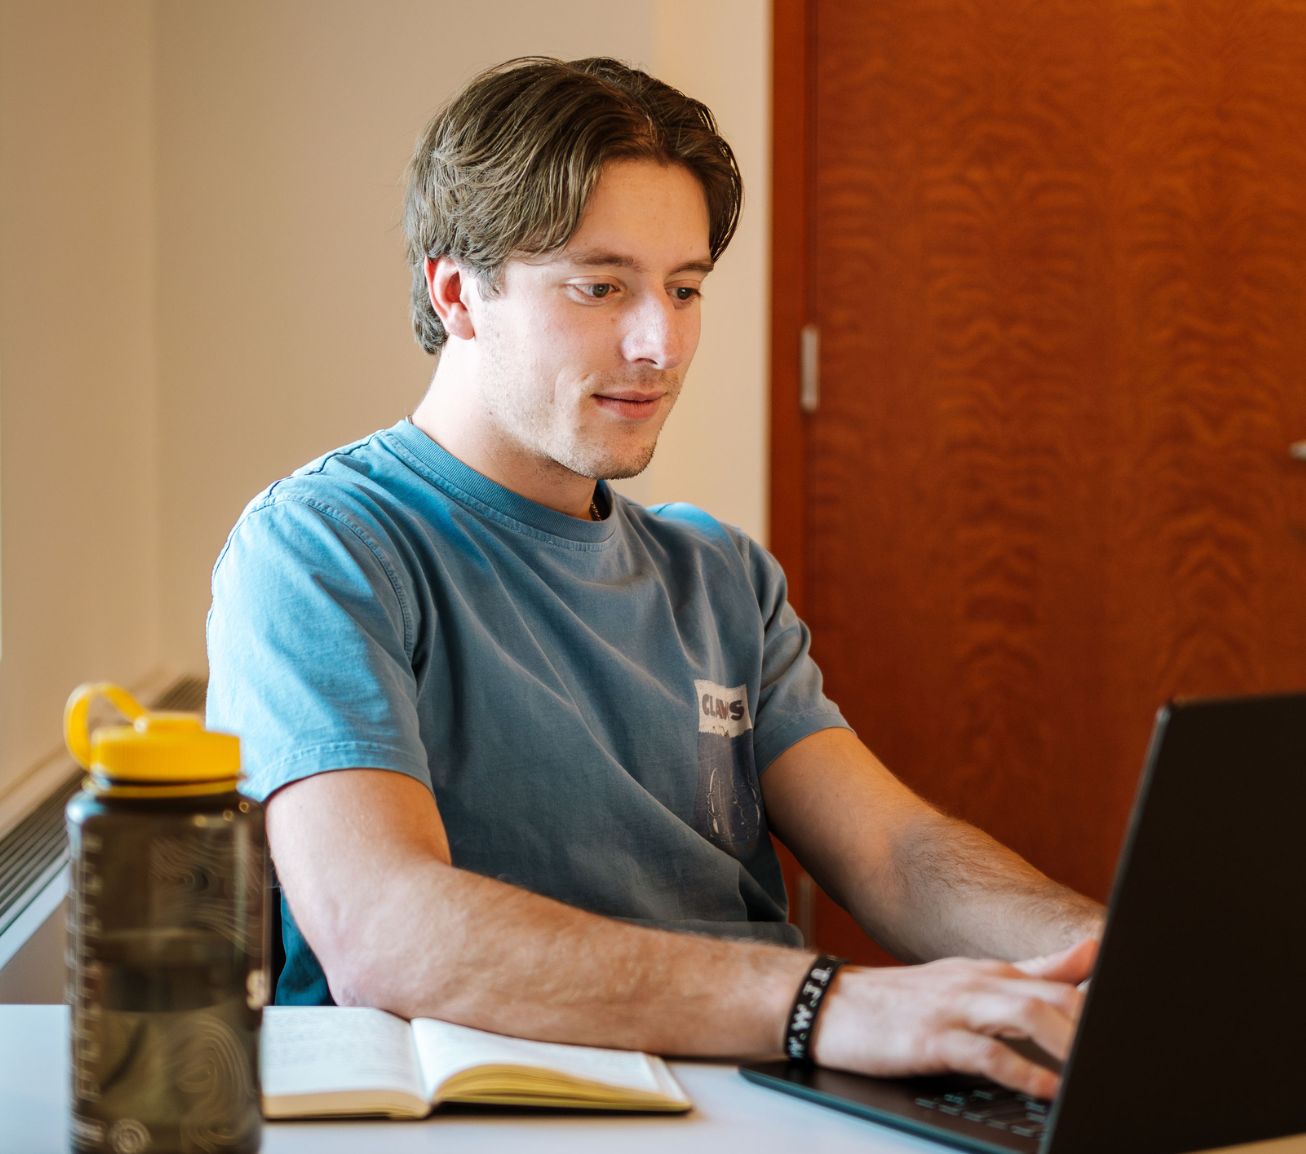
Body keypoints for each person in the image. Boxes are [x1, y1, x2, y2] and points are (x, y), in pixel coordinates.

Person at [206, 55, 1103, 1098]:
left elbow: (894, 850)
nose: (660, 342)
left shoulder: (716, 572)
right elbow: (384, 929)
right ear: (457, 292)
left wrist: (1109, 957)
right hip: (490, 1108)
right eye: (601, 286)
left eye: (684, 288)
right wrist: (826, 1001)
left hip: (756, 1091)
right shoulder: (324, 545)